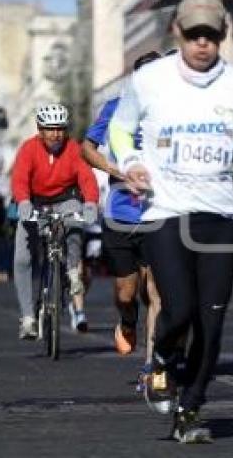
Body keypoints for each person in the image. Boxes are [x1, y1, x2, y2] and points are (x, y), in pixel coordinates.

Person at [109, 0, 233, 443]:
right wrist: (131, 162)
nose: (203, 44)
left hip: (220, 215)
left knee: (213, 320)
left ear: (222, 37)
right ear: (178, 34)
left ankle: (191, 409)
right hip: (166, 211)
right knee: (177, 308)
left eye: (212, 36)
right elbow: (120, 128)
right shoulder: (150, 80)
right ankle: (162, 358)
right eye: (195, 35)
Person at [82, 50, 163, 383]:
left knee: (156, 292)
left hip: (159, 213)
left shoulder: (172, 110)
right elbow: (87, 147)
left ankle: (151, 363)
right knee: (127, 294)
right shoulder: (116, 108)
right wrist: (114, 169)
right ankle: (127, 321)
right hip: (121, 214)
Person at [11, 104, 99, 339]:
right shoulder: (29, 149)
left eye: (59, 128)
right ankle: (29, 318)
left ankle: (71, 271)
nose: (55, 134)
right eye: (49, 129)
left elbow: (87, 178)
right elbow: (19, 178)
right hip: (34, 202)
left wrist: (90, 203)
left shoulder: (73, 149)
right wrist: (23, 202)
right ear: (40, 130)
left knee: (74, 223)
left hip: (65, 199)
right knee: (22, 257)